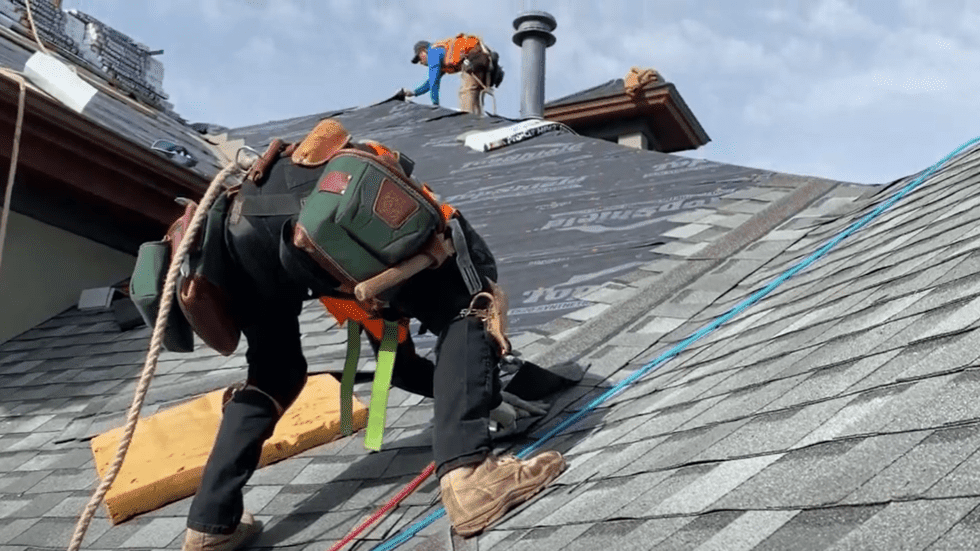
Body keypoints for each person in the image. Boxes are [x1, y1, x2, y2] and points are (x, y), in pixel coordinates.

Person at [180, 120, 565, 551]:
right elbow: (462, 315)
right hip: (310, 219)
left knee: (274, 374)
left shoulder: (354, 270)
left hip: (242, 233)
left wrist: (481, 394)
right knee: (473, 303)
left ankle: (210, 525)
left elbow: (397, 365)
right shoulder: (414, 229)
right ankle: (471, 477)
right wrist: (478, 393)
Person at [402, 35, 491, 115]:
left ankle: (470, 123)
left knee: (466, 94)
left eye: (419, 59)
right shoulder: (441, 53)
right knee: (474, 96)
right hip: (482, 60)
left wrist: (435, 105)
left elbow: (434, 82)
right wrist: (414, 93)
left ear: (423, 51)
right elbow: (430, 83)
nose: (421, 63)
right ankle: (478, 120)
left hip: (474, 59)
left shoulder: (433, 53)